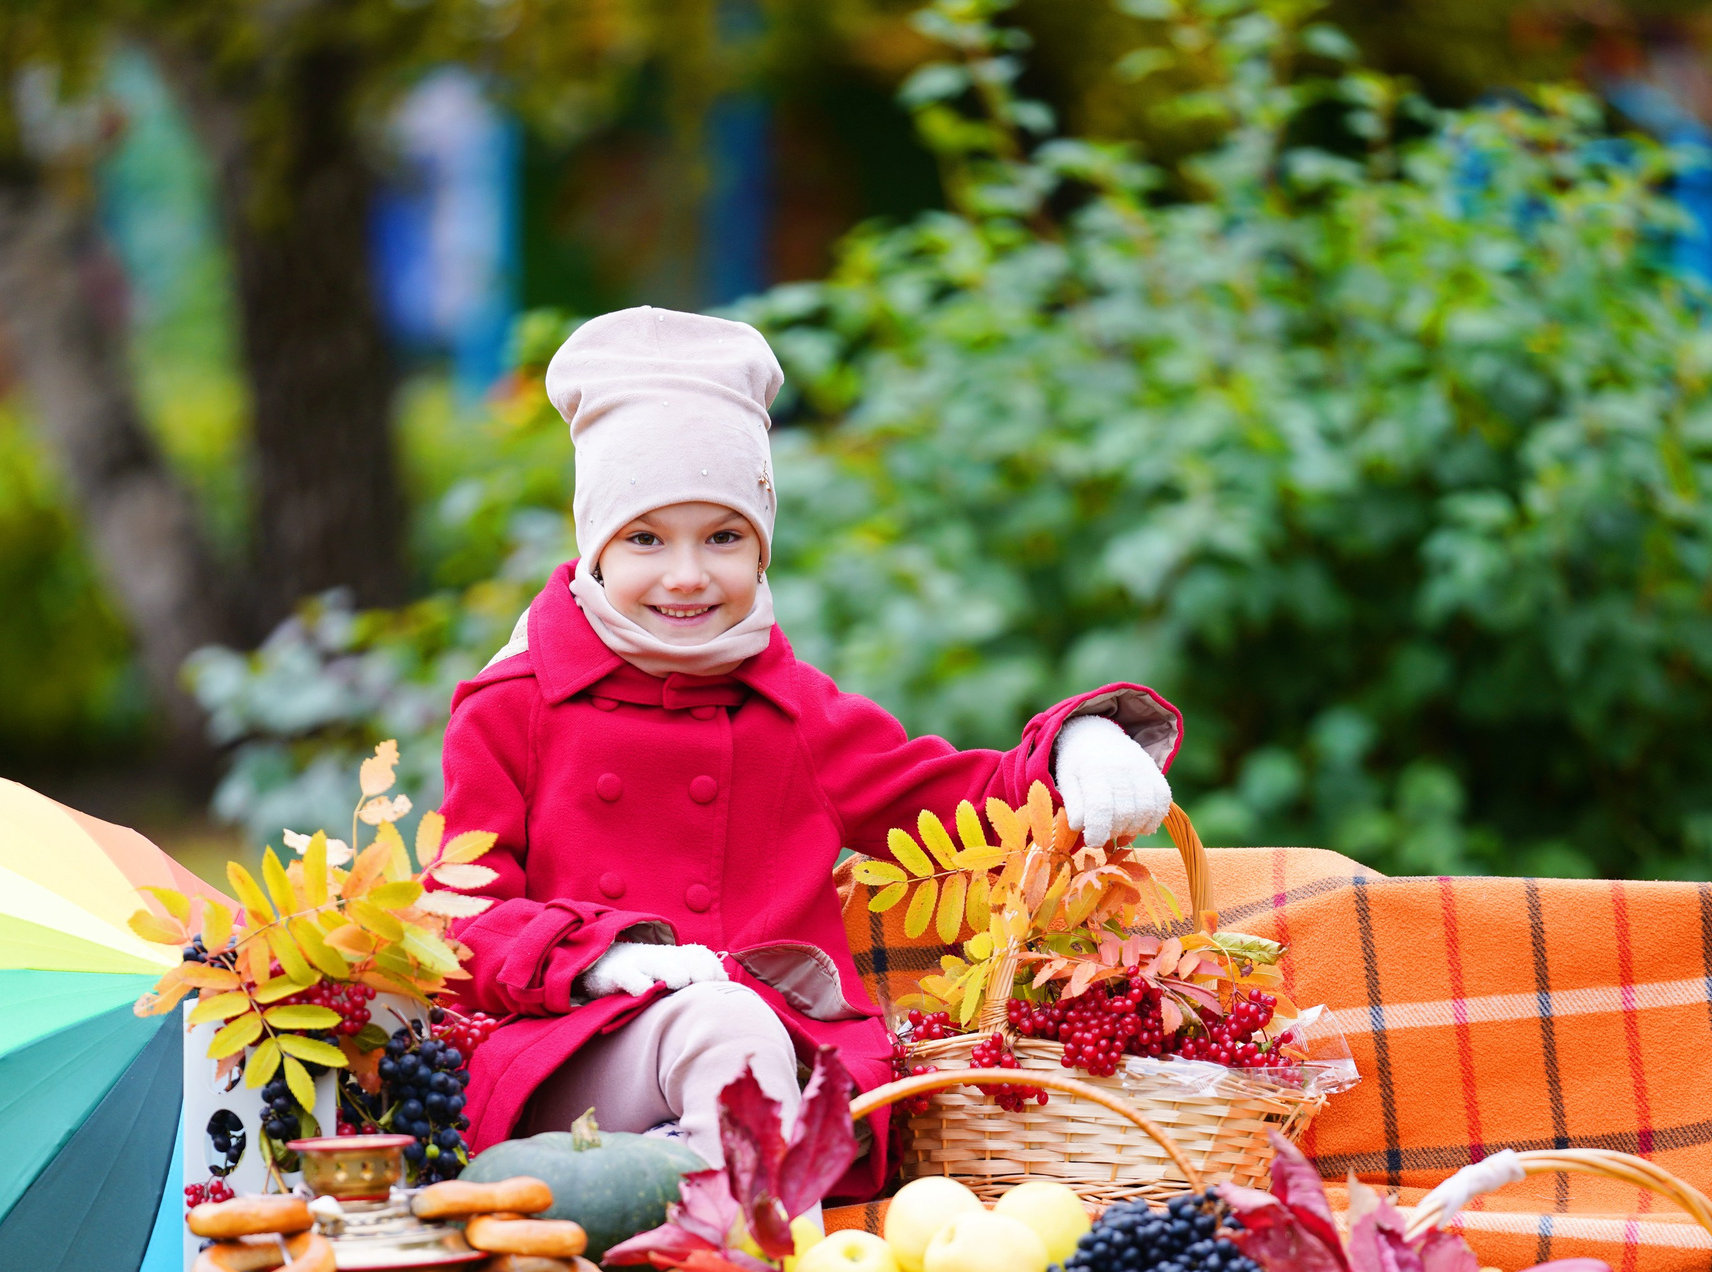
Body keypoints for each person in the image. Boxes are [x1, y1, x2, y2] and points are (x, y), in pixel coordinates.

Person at [438, 306, 1180, 1200]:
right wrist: (597, 957)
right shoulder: (512, 706)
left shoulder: (792, 714)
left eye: (723, 537)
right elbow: (456, 925)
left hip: (772, 1067)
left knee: (739, 1033)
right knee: (720, 1028)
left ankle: (705, 1213)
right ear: (594, 545)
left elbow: (960, 805)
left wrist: (1077, 745)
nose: (685, 575)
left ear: (761, 548)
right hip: (571, 1058)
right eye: (645, 538)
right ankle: (725, 1246)